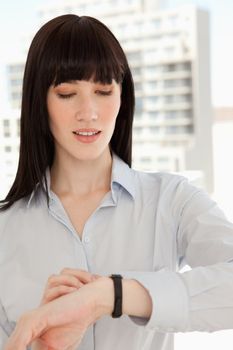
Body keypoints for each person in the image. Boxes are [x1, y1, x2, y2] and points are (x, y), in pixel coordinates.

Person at [1, 13, 233, 350]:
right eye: (67, 93)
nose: (89, 112)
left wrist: (111, 295)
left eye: (103, 90)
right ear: (41, 103)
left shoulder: (172, 200)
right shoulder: (6, 229)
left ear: (122, 98)